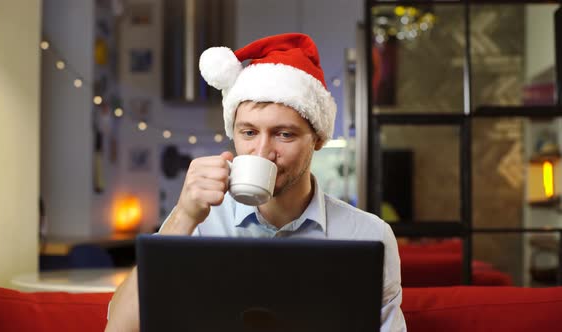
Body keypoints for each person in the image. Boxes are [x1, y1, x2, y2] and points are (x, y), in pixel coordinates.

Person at [105, 33, 406, 332]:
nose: (263, 153)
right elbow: (119, 329)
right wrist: (183, 216)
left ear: (317, 139)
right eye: (248, 133)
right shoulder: (197, 222)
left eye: (284, 134)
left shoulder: (369, 235)